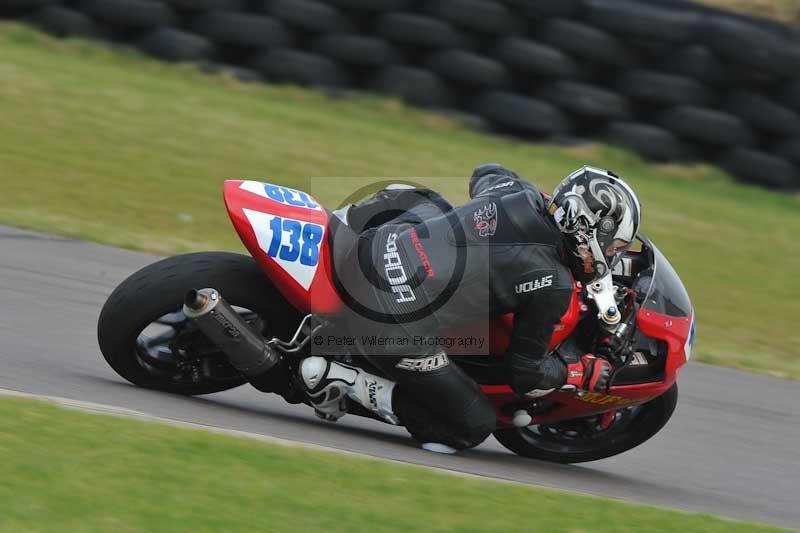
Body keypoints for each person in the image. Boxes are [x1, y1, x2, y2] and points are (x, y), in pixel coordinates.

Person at [299, 164, 642, 451]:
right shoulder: (554, 283)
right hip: (390, 321)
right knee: (473, 424)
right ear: (587, 230)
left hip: (375, 248)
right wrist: (577, 372)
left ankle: (345, 223)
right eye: (613, 245)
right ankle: (340, 381)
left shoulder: (517, 192)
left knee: (430, 202)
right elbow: (524, 375)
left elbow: (486, 171)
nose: (612, 254)